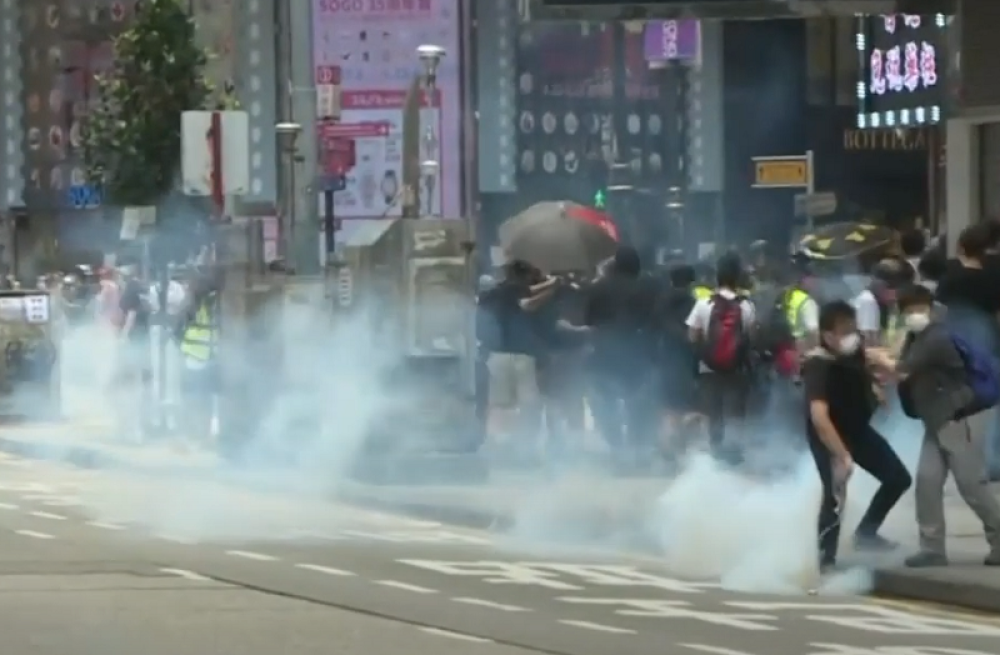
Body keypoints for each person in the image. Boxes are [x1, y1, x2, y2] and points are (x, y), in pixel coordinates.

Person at [873, 284, 1000, 567]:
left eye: (920, 309)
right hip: (938, 419)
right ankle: (932, 548)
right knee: (927, 483)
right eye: (909, 310)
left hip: (960, 417)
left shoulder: (936, 338)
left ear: (930, 309)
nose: (915, 314)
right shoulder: (918, 338)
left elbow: (901, 370)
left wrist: (875, 357)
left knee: (971, 485)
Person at [803, 300, 912, 570]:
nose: (853, 336)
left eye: (854, 328)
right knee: (836, 495)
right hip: (828, 436)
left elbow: (869, 359)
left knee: (898, 478)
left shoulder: (852, 353)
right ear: (828, 335)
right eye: (845, 331)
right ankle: (825, 562)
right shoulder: (819, 364)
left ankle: (866, 533)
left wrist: (879, 380)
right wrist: (841, 455)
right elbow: (819, 416)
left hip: (857, 430)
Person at [583, 246, 657, 462]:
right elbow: (655, 319)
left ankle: (616, 446)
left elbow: (589, 320)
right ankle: (638, 446)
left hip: (605, 353)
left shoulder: (600, 287)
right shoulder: (648, 288)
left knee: (605, 402)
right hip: (638, 352)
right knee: (637, 401)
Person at [686, 252, 755, 465]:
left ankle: (715, 451)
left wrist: (705, 351)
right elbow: (751, 336)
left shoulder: (703, 303)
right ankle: (733, 453)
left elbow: (692, 335)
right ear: (738, 277)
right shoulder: (746, 306)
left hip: (709, 367)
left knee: (713, 410)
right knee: (734, 411)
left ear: (717, 276)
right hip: (736, 368)